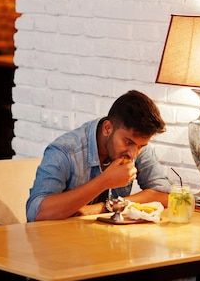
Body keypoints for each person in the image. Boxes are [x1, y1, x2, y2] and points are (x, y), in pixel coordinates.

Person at [26, 90, 170, 222]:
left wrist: (105, 207)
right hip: (56, 242)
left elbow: (163, 195)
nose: (133, 154)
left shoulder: (136, 146)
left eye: (141, 146)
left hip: (106, 241)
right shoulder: (65, 151)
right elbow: (36, 213)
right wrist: (105, 181)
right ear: (107, 128)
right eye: (128, 142)